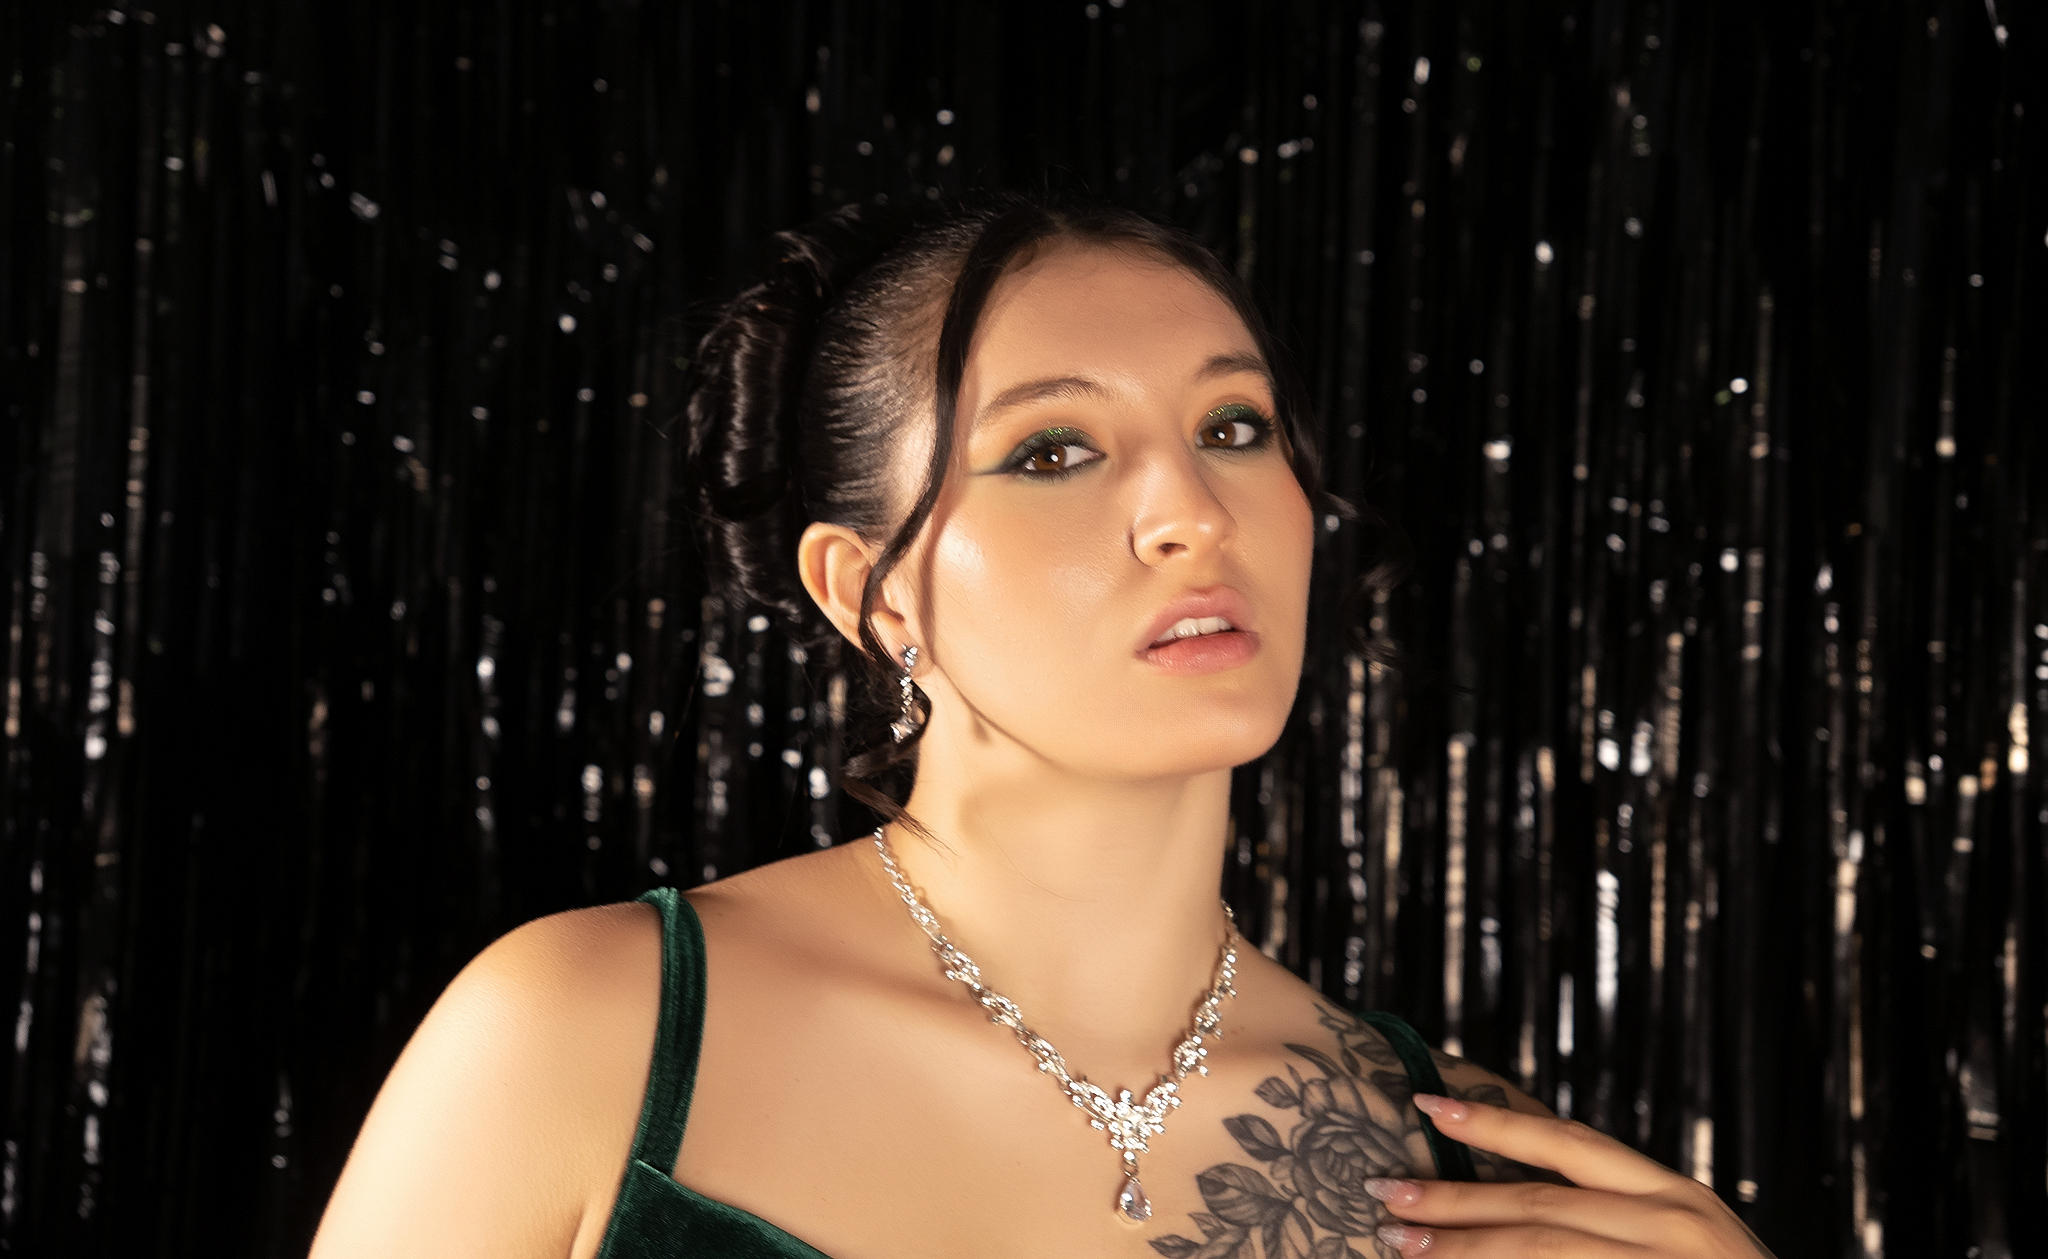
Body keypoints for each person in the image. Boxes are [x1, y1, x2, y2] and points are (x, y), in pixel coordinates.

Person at [308, 191, 1773, 1258]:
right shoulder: (589, 1031)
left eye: (1234, 428)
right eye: (1053, 450)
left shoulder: (1459, 1158)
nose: (1192, 514)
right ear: (869, 590)